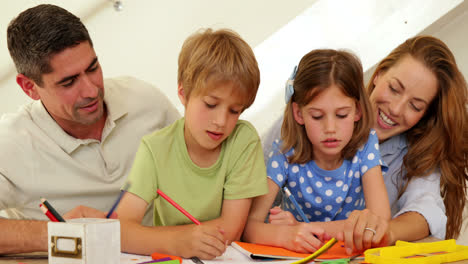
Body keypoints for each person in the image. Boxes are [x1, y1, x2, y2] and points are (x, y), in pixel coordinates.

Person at [259, 35, 468, 254]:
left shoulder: (415, 152)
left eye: (415, 106)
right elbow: (255, 207)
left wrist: (381, 231)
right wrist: (283, 231)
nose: (396, 109)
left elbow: (425, 212)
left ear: (425, 114)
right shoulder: (295, 129)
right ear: (378, 74)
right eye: (394, 89)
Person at [0, 4, 180, 254]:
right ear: (29, 87)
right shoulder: (10, 142)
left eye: (93, 68)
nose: (91, 90)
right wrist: (64, 235)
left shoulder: (145, 101)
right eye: (69, 82)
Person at [115, 28, 268, 259]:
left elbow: (232, 227)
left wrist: (173, 239)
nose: (221, 122)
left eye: (234, 111)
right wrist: (179, 242)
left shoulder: (243, 140)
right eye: (210, 104)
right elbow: (121, 230)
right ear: (183, 93)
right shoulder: (155, 148)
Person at [243, 49, 391, 253]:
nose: (330, 128)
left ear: (357, 110)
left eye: (341, 115)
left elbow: (380, 222)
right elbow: (249, 227)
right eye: (317, 116)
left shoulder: (365, 146)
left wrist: (302, 229)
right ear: (298, 113)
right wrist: (285, 235)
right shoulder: (284, 153)